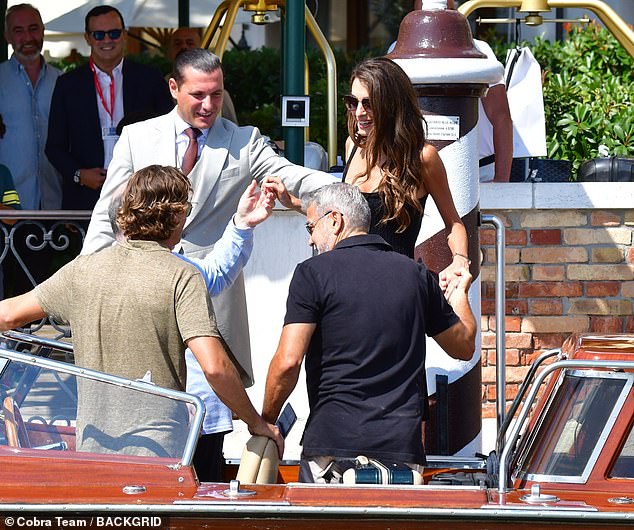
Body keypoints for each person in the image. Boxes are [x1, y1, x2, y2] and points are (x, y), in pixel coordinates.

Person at [82, 48, 336, 388]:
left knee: (212, 414)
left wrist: (351, 186)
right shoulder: (137, 137)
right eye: (198, 94)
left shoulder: (244, 141)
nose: (208, 105)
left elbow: (292, 176)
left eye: (216, 94)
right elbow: (107, 212)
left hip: (212, 303)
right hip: (144, 296)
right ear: (174, 88)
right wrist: (89, 272)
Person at [0, 164, 282, 459]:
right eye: (185, 209)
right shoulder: (181, 275)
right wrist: (256, 422)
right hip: (158, 451)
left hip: (93, 447)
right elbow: (215, 367)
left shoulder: (81, 271)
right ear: (175, 215)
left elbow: (8, 315)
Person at [261, 183, 476, 483]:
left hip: (332, 446)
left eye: (311, 227)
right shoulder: (415, 276)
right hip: (401, 452)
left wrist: (266, 421)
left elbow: (287, 362)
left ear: (335, 221)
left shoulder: (312, 273)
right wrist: (460, 296)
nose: (310, 239)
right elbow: (464, 346)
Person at [107, 178, 274, 480]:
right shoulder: (100, 277)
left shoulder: (180, 269)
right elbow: (216, 368)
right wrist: (255, 421)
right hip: (144, 421)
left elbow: (215, 272)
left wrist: (242, 223)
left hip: (194, 415)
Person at [341, 56, 469, 286]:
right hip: (348, 282)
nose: (359, 112)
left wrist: (460, 260)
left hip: (395, 287)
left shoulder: (422, 158)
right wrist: (291, 201)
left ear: (391, 105)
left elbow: (454, 223)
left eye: (368, 103)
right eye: (353, 102)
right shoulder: (352, 147)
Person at [45, 5, 173, 211]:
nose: (107, 40)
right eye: (98, 35)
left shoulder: (150, 78)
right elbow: (54, 146)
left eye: (114, 33)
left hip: (142, 193)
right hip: (86, 196)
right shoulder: (67, 84)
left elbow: (170, 131)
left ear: (124, 34)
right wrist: (79, 175)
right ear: (88, 38)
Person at [0, 3, 61, 210]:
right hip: (7, 207)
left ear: (43, 30)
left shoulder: (63, 82)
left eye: (33, 28)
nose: (27, 38)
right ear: (7, 36)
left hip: (57, 205)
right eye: (18, 31)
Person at [447, 0, 513, 182]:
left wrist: (501, 181)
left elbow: (501, 117)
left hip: (480, 170)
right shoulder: (399, 49)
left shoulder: (480, 50)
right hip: (421, 173)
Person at [166, 27, 238, 125]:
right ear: (173, 88)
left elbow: (232, 129)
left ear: (200, 48)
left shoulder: (222, 96)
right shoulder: (158, 87)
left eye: (190, 43)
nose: (184, 47)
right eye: (178, 43)